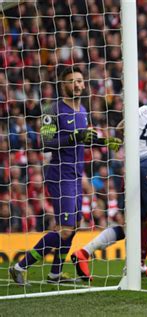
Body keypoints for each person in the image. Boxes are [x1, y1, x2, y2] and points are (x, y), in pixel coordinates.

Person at [9, 66, 121, 285]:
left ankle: (55, 274)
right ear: (63, 85)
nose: (78, 85)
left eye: (80, 81)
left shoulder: (82, 111)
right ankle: (20, 266)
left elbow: (83, 138)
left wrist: (104, 141)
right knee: (65, 229)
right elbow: (44, 143)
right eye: (72, 81)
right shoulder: (52, 110)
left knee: (73, 227)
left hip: (76, 175)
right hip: (60, 175)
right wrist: (72, 137)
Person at [71, 79, 147, 284]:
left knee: (134, 225)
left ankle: (83, 253)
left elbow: (120, 127)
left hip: (132, 170)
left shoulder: (142, 110)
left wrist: (133, 145)